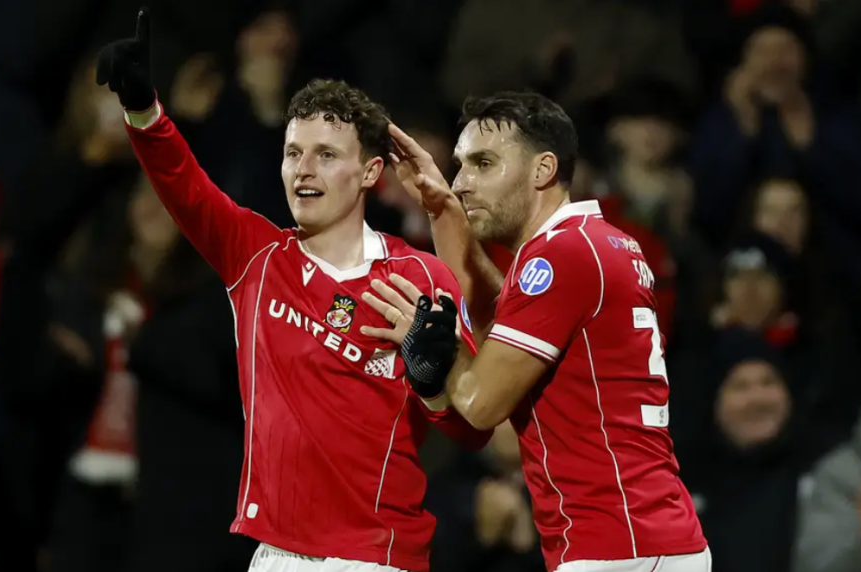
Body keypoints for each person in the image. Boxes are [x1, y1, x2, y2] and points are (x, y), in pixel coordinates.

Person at [93, 9, 492, 572]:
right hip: (275, 553)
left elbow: (472, 430)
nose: (303, 170)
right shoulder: (255, 256)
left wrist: (432, 381)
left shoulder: (422, 277)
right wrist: (142, 109)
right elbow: (183, 182)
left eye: (326, 155)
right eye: (293, 152)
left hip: (377, 555)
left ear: (372, 172)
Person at [361, 92, 710, 571]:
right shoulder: (597, 242)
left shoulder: (558, 256)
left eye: (483, 163)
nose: (463, 182)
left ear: (543, 170)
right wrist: (442, 209)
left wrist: (427, 339)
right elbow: (501, 314)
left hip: (617, 545)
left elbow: (482, 404)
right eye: (460, 166)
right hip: (642, 537)